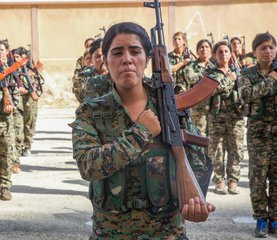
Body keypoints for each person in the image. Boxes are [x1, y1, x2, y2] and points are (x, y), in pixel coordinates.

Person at [71, 22, 215, 239]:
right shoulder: (91, 112)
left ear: (147, 60)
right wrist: (140, 133)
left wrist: (196, 200)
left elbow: (198, 161)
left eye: (135, 51)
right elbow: (88, 166)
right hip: (111, 234)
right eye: (117, 52)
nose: (127, 59)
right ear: (106, 61)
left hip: (167, 233)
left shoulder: (170, 105)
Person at [239, 32, 277, 238]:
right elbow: (246, 95)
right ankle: (261, 218)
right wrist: (271, 80)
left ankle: (276, 218)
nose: (268, 51)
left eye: (271, 47)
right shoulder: (247, 74)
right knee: (258, 178)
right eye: (263, 47)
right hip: (258, 135)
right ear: (255, 52)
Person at [206, 41, 244, 195]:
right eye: (220, 51)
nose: (223, 54)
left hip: (236, 117)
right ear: (215, 55)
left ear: (231, 54)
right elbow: (211, 91)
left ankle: (233, 181)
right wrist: (230, 79)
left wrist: (237, 77)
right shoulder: (209, 74)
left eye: (226, 51)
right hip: (217, 118)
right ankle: (219, 180)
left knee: (235, 149)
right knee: (216, 151)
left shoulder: (238, 72)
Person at [183, 39, 215, 136]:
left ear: (211, 50)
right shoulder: (191, 65)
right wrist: (207, 75)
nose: (204, 49)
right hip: (198, 106)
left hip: (214, 105)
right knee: (199, 134)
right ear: (197, 51)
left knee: (213, 136)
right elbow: (190, 78)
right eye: (201, 47)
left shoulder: (214, 65)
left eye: (207, 47)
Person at [0, 39, 19, 200]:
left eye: (1, 50)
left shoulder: (10, 72)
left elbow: (16, 96)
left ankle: (5, 186)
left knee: (6, 154)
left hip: (5, 121)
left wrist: (11, 103)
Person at [72, 37, 95, 101]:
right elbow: (77, 74)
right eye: (87, 46)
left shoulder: (99, 57)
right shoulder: (81, 60)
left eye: (91, 45)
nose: (89, 47)